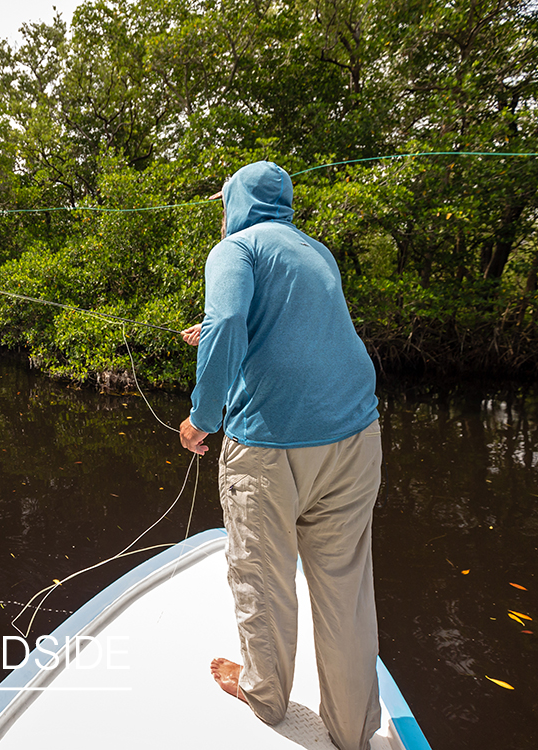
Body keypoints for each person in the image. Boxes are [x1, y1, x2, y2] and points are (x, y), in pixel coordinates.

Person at [178, 161, 382, 750]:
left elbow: (233, 319)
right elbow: (292, 326)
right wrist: (216, 327)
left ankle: (264, 693)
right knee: (345, 588)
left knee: (263, 577)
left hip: (271, 447)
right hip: (355, 436)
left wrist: (201, 418)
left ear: (233, 204)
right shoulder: (315, 251)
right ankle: (351, 730)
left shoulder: (233, 250)